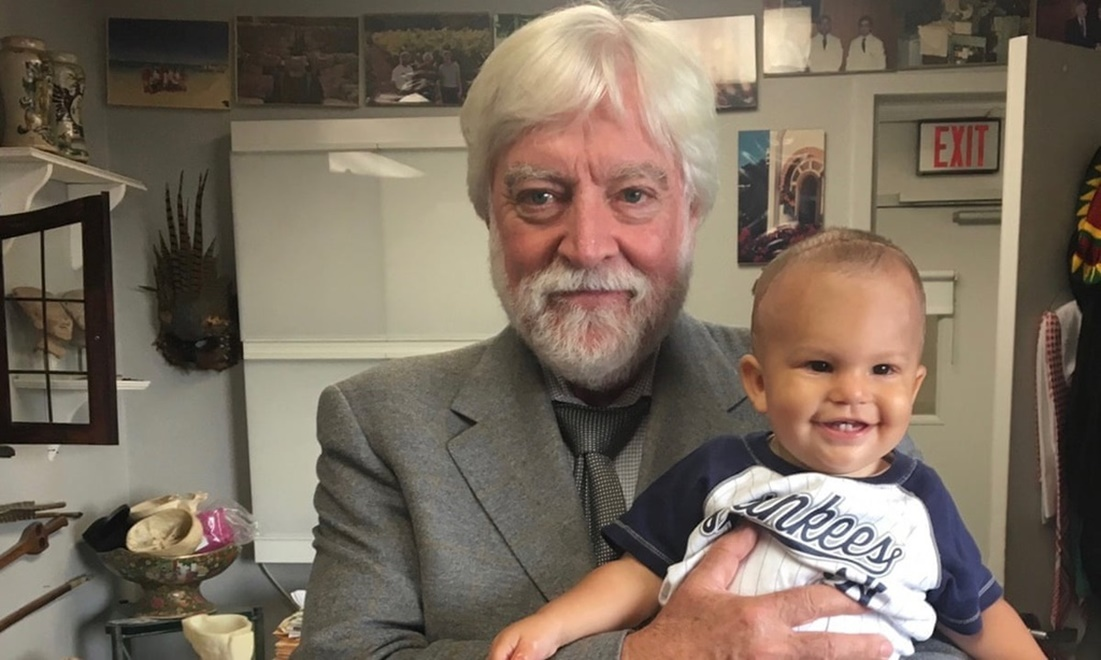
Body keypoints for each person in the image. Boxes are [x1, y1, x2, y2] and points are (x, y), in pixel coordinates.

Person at [297, 3, 965, 658]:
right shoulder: (381, 424)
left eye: (633, 194)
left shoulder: (832, 391)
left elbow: (942, 636)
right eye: (539, 196)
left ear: (693, 210)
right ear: (488, 215)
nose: (587, 246)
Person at [487, 229, 1045, 660]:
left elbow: (980, 616)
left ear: (913, 387)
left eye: (882, 369)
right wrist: (551, 627)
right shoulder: (719, 470)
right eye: (820, 365)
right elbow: (638, 575)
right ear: (758, 383)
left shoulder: (921, 502)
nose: (853, 392)